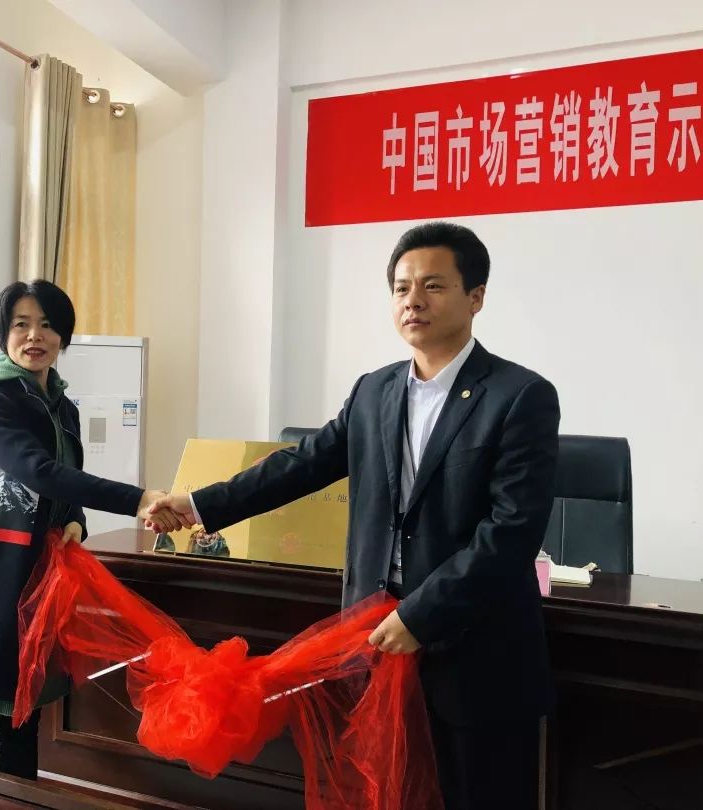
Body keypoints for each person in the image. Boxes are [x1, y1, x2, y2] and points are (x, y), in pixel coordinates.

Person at [150, 222, 560, 810]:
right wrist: (198, 504)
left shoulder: (519, 396)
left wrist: (420, 615)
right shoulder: (375, 391)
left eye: (433, 286)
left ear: (476, 297)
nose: (413, 301)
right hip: (373, 646)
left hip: (474, 659)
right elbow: (301, 464)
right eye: (401, 288)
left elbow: (511, 533)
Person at [0, 280, 182, 779]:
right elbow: (38, 471)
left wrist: (75, 519)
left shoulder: (63, 407)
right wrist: (137, 500)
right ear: (3, 334)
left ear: (62, 336)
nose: (34, 336)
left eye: (47, 325)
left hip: (43, 583)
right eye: (21, 324)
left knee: (23, 729)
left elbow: (66, 484)